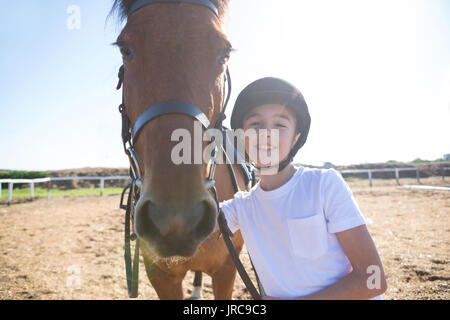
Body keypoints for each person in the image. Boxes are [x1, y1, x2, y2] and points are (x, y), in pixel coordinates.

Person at [220, 77, 387, 300]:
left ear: (295, 137)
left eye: (279, 125)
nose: (265, 134)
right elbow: (183, 220)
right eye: (255, 125)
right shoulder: (241, 206)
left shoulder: (324, 184)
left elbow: (373, 280)